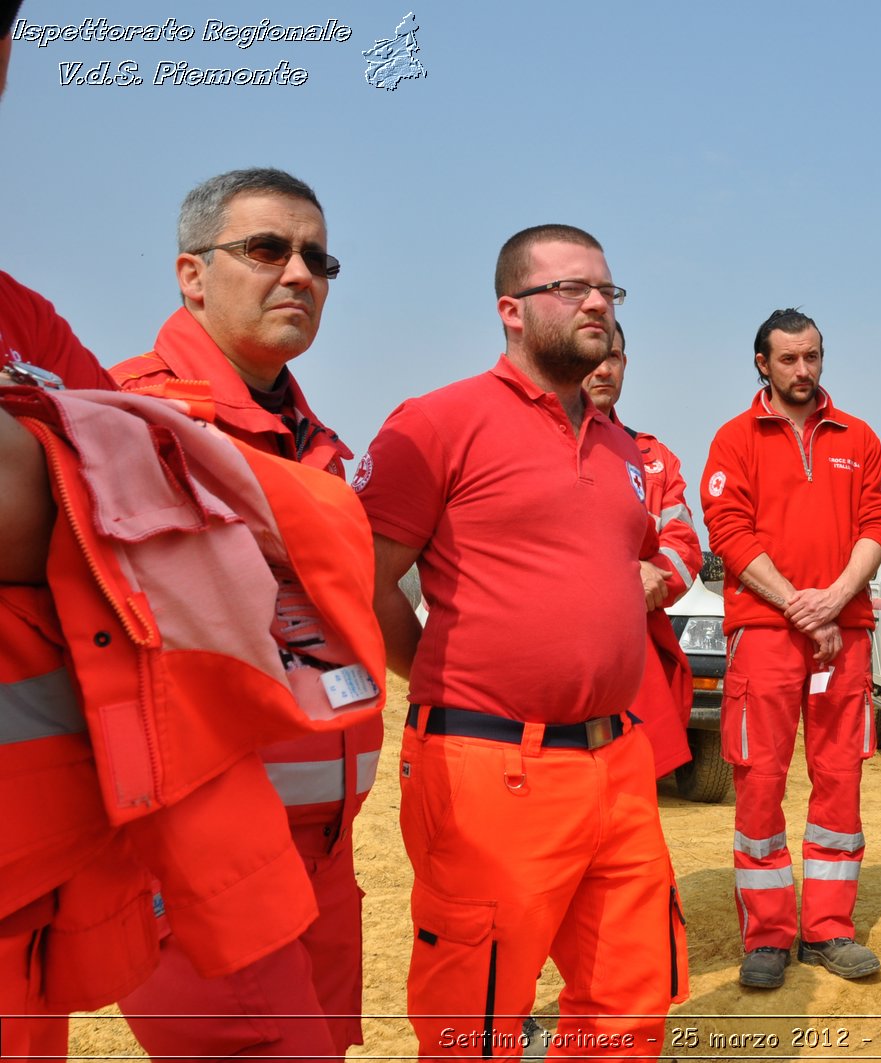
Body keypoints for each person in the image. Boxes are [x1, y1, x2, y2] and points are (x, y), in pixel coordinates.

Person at [358, 224, 684, 1058]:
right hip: (489, 765)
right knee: (480, 1015)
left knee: (630, 998)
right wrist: (436, 672)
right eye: (572, 288)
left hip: (617, 762)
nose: (598, 304)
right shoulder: (438, 421)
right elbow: (361, 581)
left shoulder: (624, 449)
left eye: (608, 290)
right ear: (511, 309)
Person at [108, 168, 378, 1058]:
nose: (299, 273)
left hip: (327, 850)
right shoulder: (124, 419)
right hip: (203, 859)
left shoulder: (321, 444)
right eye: (267, 249)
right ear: (192, 274)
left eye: (318, 257)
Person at [699, 308, 881, 989]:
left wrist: (833, 598)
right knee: (758, 780)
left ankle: (830, 928)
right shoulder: (733, 440)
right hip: (763, 634)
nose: (804, 370)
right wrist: (798, 604)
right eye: (789, 359)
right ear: (763, 362)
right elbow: (728, 531)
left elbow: (879, 521)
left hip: (846, 631)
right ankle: (769, 934)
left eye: (812, 356)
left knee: (840, 777)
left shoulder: (859, 437)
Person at [582, 322, 704, 778]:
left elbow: (685, 547)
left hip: (632, 656)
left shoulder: (653, 459)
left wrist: (653, 576)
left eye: (612, 358)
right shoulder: (533, 444)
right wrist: (620, 575)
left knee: (628, 794)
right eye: (592, 359)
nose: (603, 369)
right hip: (557, 660)